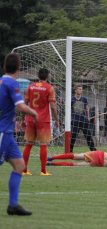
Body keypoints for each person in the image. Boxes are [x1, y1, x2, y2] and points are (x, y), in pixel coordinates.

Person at [0, 53, 38, 215]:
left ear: (4, 67)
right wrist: (34, 113)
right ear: (19, 68)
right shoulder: (11, 83)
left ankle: (13, 205)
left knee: (20, 166)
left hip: (7, 133)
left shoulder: (1, 81)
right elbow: (22, 106)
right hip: (2, 132)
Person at [21, 68, 59, 176]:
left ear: (38, 76)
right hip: (43, 120)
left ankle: (24, 170)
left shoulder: (30, 87)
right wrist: (56, 120)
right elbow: (52, 106)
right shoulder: (49, 88)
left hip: (31, 119)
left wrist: (23, 119)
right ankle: (43, 171)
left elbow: (25, 103)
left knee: (29, 144)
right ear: (47, 77)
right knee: (43, 145)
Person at [70, 84, 96, 153]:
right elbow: (69, 109)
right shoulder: (72, 99)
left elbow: (87, 108)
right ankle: (70, 150)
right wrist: (70, 118)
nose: (81, 90)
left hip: (84, 121)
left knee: (88, 136)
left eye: (81, 89)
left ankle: (93, 150)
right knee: (73, 136)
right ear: (75, 90)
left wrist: (88, 117)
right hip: (75, 121)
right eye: (79, 89)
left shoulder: (84, 99)